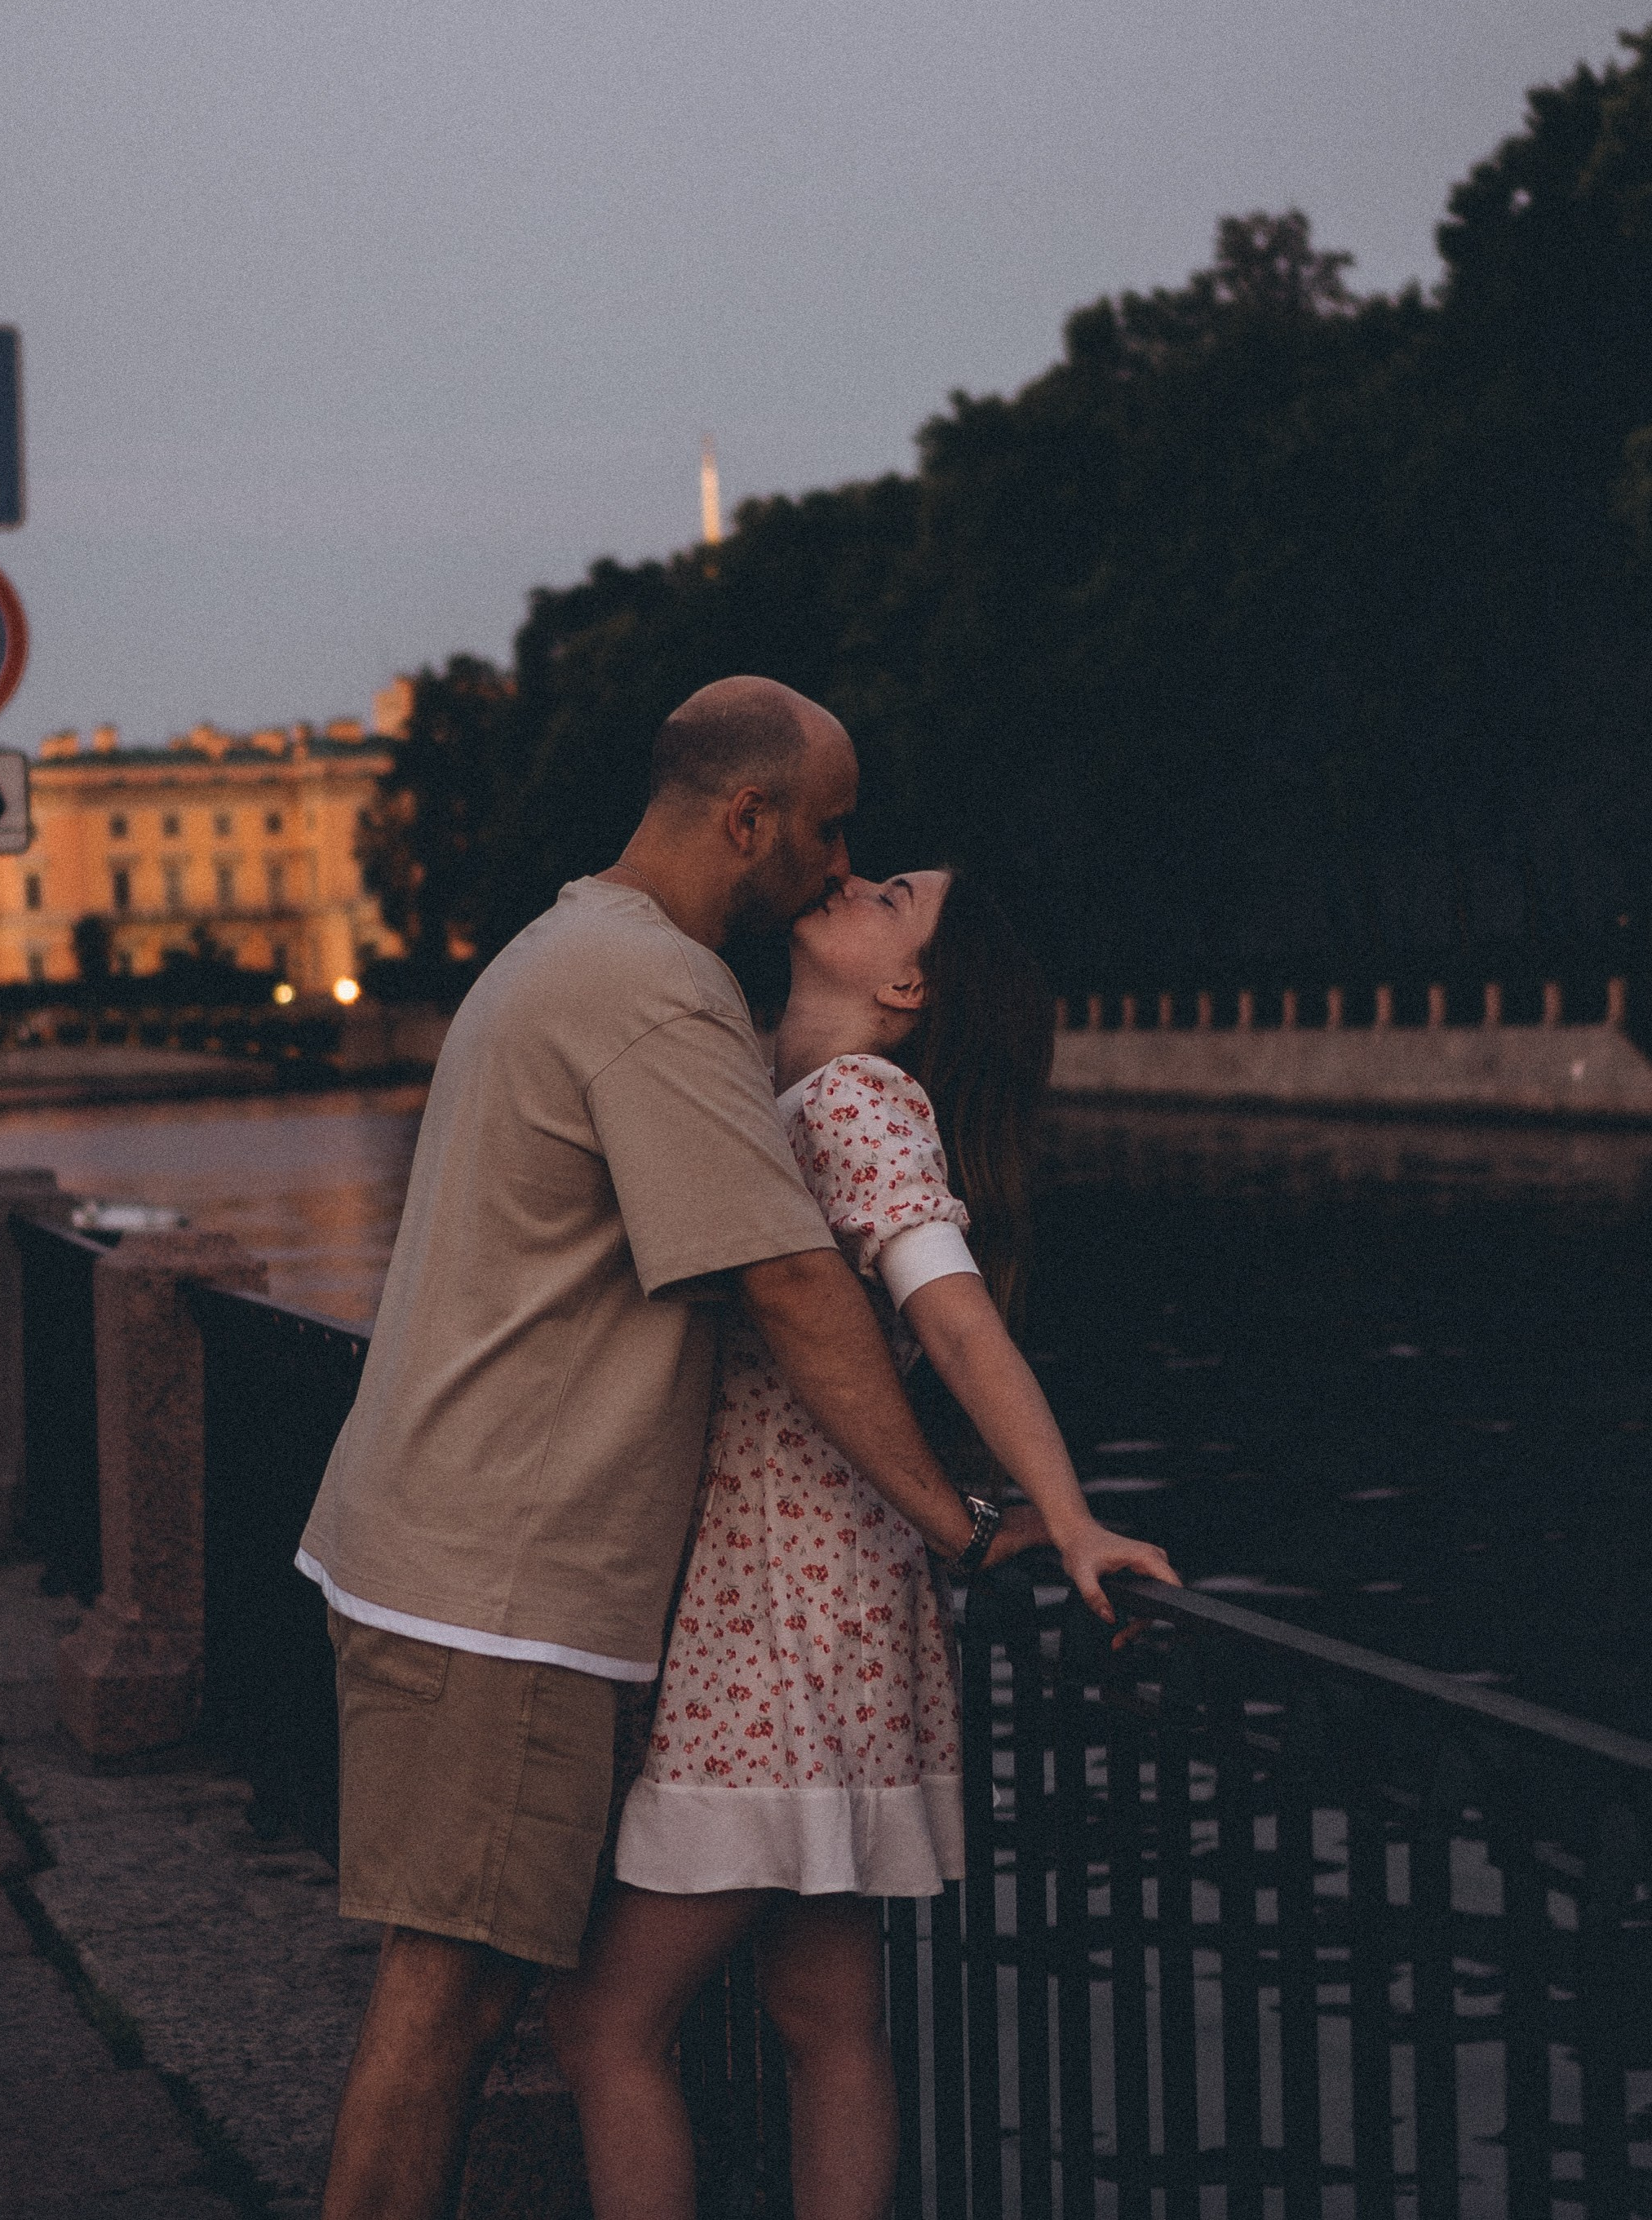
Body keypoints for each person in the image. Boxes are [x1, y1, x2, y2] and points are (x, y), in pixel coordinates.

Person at [297, 687, 1035, 2220]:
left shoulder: (575, 946)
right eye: (829, 827)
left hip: (453, 1550)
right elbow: (782, 1278)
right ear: (747, 819)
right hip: (496, 1582)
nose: (842, 860)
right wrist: (960, 1529)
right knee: (440, 2014)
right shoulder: (659, 993)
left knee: (492, 2006)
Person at [548, 866, 1178, 2220]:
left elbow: (951, 1318)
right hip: (825, 1603)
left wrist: (1063, 1516)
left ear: (905, 988)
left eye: (891, 893)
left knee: (606, 2026)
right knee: (821, 2014)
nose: (849, 876)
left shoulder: (856, 1101)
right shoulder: (793, 1101)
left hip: (776, 1620)